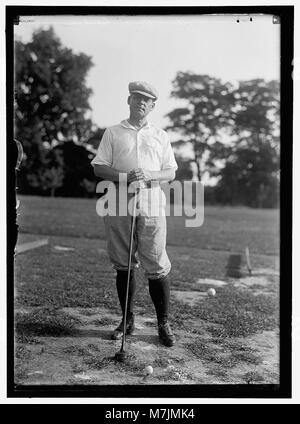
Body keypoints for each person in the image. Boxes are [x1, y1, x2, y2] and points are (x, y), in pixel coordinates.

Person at [91, 81, 178, 347]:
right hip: (118, 201)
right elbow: (99, 168)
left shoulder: (161, 136)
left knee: (156, 264)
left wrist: (150, 174)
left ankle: (163, 323)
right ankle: (127, 320)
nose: (141, 102)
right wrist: (125, 176)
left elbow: (171, 171)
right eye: (136, 97)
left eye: (146, 100)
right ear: (128, 100)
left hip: (151, 204)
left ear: (152, 106)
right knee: (123, 263)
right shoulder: (113, 132)